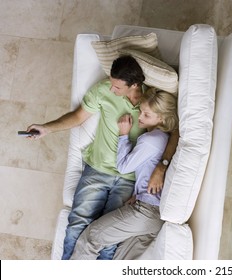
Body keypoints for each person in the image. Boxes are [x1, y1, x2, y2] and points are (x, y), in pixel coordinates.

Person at [26, 56, 179, 260]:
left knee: (107, 241)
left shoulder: (150, 104)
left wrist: (162, 165)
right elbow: (79, 116)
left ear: (134, 85)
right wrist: (47, 128)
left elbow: (174, 131)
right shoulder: (104, 91)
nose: (110, 89)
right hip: (98, 169)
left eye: (116, 86)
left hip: (128, 179)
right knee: (78, 223)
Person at [70, 88, 178, 260]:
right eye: (141, 111)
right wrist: (138, 193)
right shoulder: (164, 138)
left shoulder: (151, 140)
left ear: (162, 118)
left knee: (91, 239)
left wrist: (124, 134)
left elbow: (123, 167)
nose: (140, 117)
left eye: (146, 115)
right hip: (155, 217)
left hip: (146, 212)